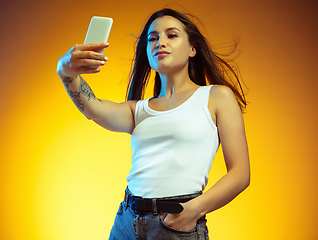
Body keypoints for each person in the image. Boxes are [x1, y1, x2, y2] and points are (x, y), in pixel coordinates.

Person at [56, 8, 250, 240]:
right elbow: (94, 109)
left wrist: (193, 211)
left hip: (176, 223)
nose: (160, 42)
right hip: (126, 222)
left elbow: (240, 174)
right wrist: (65, 71)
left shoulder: (216, 97)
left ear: (192, 49)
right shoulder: (137, 109)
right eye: (153, 38)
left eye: (172, 35)